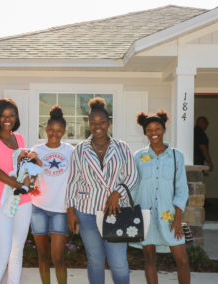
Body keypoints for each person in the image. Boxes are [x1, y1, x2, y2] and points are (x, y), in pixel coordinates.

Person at [66, 97, 138, 284]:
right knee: (95, 260)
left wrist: (117, 193)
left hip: (116, 212)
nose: (97, 126)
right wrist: (70, 211)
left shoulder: (122, 147)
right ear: (88, 123)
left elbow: (132, 175)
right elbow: (73, 181)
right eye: (93, 122)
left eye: (102, 122)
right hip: (87, 212)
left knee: (118, 262)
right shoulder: (79, 150)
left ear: (109, 123)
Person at [0, 98, 35, 284]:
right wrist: (17, 185)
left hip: (23, 201)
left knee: (17, 253)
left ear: (16, 117)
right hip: (0, 202)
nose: (7, 119)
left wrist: (28, 181)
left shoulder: (19, 138)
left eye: (11, 115)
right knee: (2, 254)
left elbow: (23, 167)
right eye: (3, 115)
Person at [132, 110, 190, 284]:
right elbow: (133, 187)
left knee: (183, 259)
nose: (154, 132)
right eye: (149, 129)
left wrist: (178, 218)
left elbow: (181, 188)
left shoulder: (176, 156)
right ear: (145, 133)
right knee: (149, 259)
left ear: (164, 130)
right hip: (145, 215)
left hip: (170, 215)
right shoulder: (138, 157)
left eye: (157, 128)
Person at [30, 105, 74, 284]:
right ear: (46, 129)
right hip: (38, 207)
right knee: (42, 256)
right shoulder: (36, 150)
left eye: (58, 131)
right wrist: (35, 164)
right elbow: (30, 176)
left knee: (57, 258)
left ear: (64, 131)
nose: (54, 134)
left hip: (60, 210)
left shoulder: (70, 151)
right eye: (51, 130)